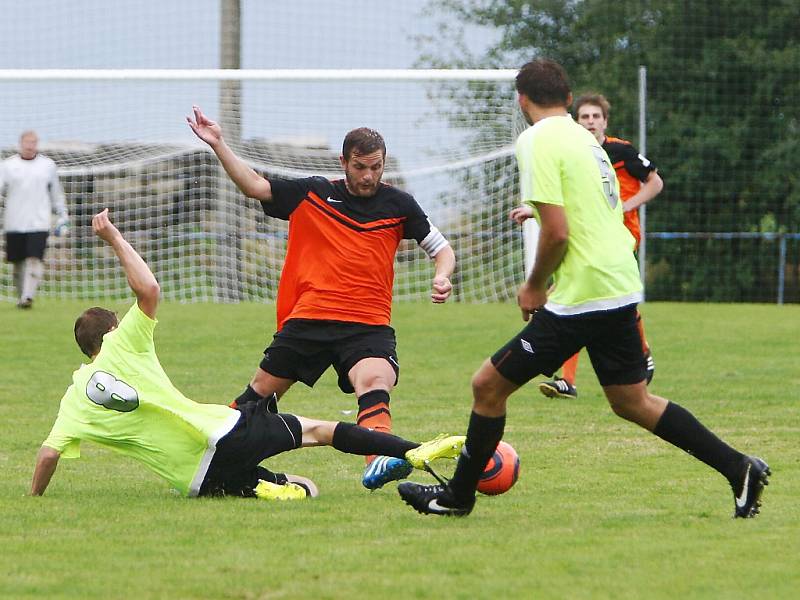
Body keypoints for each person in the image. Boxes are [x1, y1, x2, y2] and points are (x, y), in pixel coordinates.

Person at [398, 58, 769, 519]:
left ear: (522, 101)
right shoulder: (587, 139)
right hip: (619, 281)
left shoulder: (535, 140)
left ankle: (456, 498)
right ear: (571, 100)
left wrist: (534, 286)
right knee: (633, 401)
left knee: (487, 386)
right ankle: (740, 468)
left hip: (585, 293)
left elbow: (557, 233)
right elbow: (591, 210)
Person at [30, 209, 465, 500]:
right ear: (112, 329)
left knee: (305, 489)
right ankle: (416, 450)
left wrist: (34, 499)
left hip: (196, 480)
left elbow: (48, 455)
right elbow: (149, 289)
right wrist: (112, 236)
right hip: (221, 433)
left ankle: (267, 485)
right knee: (322, 431)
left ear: (85, 351)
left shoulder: (73, 401)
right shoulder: (125, 341)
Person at [187, 107, 456, 491]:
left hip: (367, 323)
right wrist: (218, 144)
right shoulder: (312, 193)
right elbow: (255, 187)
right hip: (310, 319)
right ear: (343, 162)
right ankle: (209, 450)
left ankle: (378, 457)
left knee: (375, 379)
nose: (368, 176)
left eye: (376, 167)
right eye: (360, 167)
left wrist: (442, 276)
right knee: (258, 398)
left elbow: (442, 249)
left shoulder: (399, 205)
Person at [538, 93, 663, 399]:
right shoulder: (574, 153)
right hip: (587, 238)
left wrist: (626, 206)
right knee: (577, 298)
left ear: (605, 121)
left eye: (595, 116)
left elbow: (655, 182)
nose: (590, 122)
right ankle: (567, 380)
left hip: (621, 237)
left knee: (587, 299)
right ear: (576, 122)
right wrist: (533, 209)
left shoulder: (621, 151)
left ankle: (641, 353)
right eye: (584, 117)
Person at [1, 130, 69, 309]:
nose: (30, 146)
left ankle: (28, 297)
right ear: (20, 143)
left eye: (33, 142)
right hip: (14, 222)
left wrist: (63, 215)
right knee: (17, 263)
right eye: (27, 142)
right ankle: (22, 296)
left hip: (39, 221)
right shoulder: (8, 165)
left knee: (34, 258)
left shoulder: (47, 165)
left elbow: (56, 193)